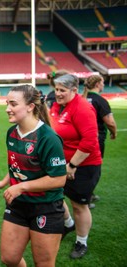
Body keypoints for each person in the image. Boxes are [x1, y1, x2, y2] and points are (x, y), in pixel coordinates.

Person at [0, 85, 67, 267]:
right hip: (18, 205)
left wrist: (21, 187)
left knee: (44, 263)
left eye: (13, 104)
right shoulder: (12, 133)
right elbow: (19, 166)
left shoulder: (48, 138)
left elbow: (58, 179)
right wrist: (4, 182)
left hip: (46, 207)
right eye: (7, 103)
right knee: (9, 258)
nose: (7, 108)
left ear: (30, 106)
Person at [50, 73, 102, 259]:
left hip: (83, 165)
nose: (58, 93)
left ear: (74, 90)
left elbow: (89, 142)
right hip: (61, 164)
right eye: (56, 89)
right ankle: (68, 223)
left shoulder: (83, 108)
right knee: (53, 195)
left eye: (62, 90)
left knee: (79, 205)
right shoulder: (57, 105)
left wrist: (72, 165)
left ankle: (82, 241)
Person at [82, 74, 117, 208]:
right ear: (97, 84)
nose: (103, 85)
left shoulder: (81, 99)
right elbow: (110, 123)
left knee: (83, 167)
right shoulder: (99, 100)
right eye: (102, 82)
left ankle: (87, 194)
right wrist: (114, 133)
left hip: (81, 139)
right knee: (93, 169)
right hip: (95, 139)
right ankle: (86, 197)